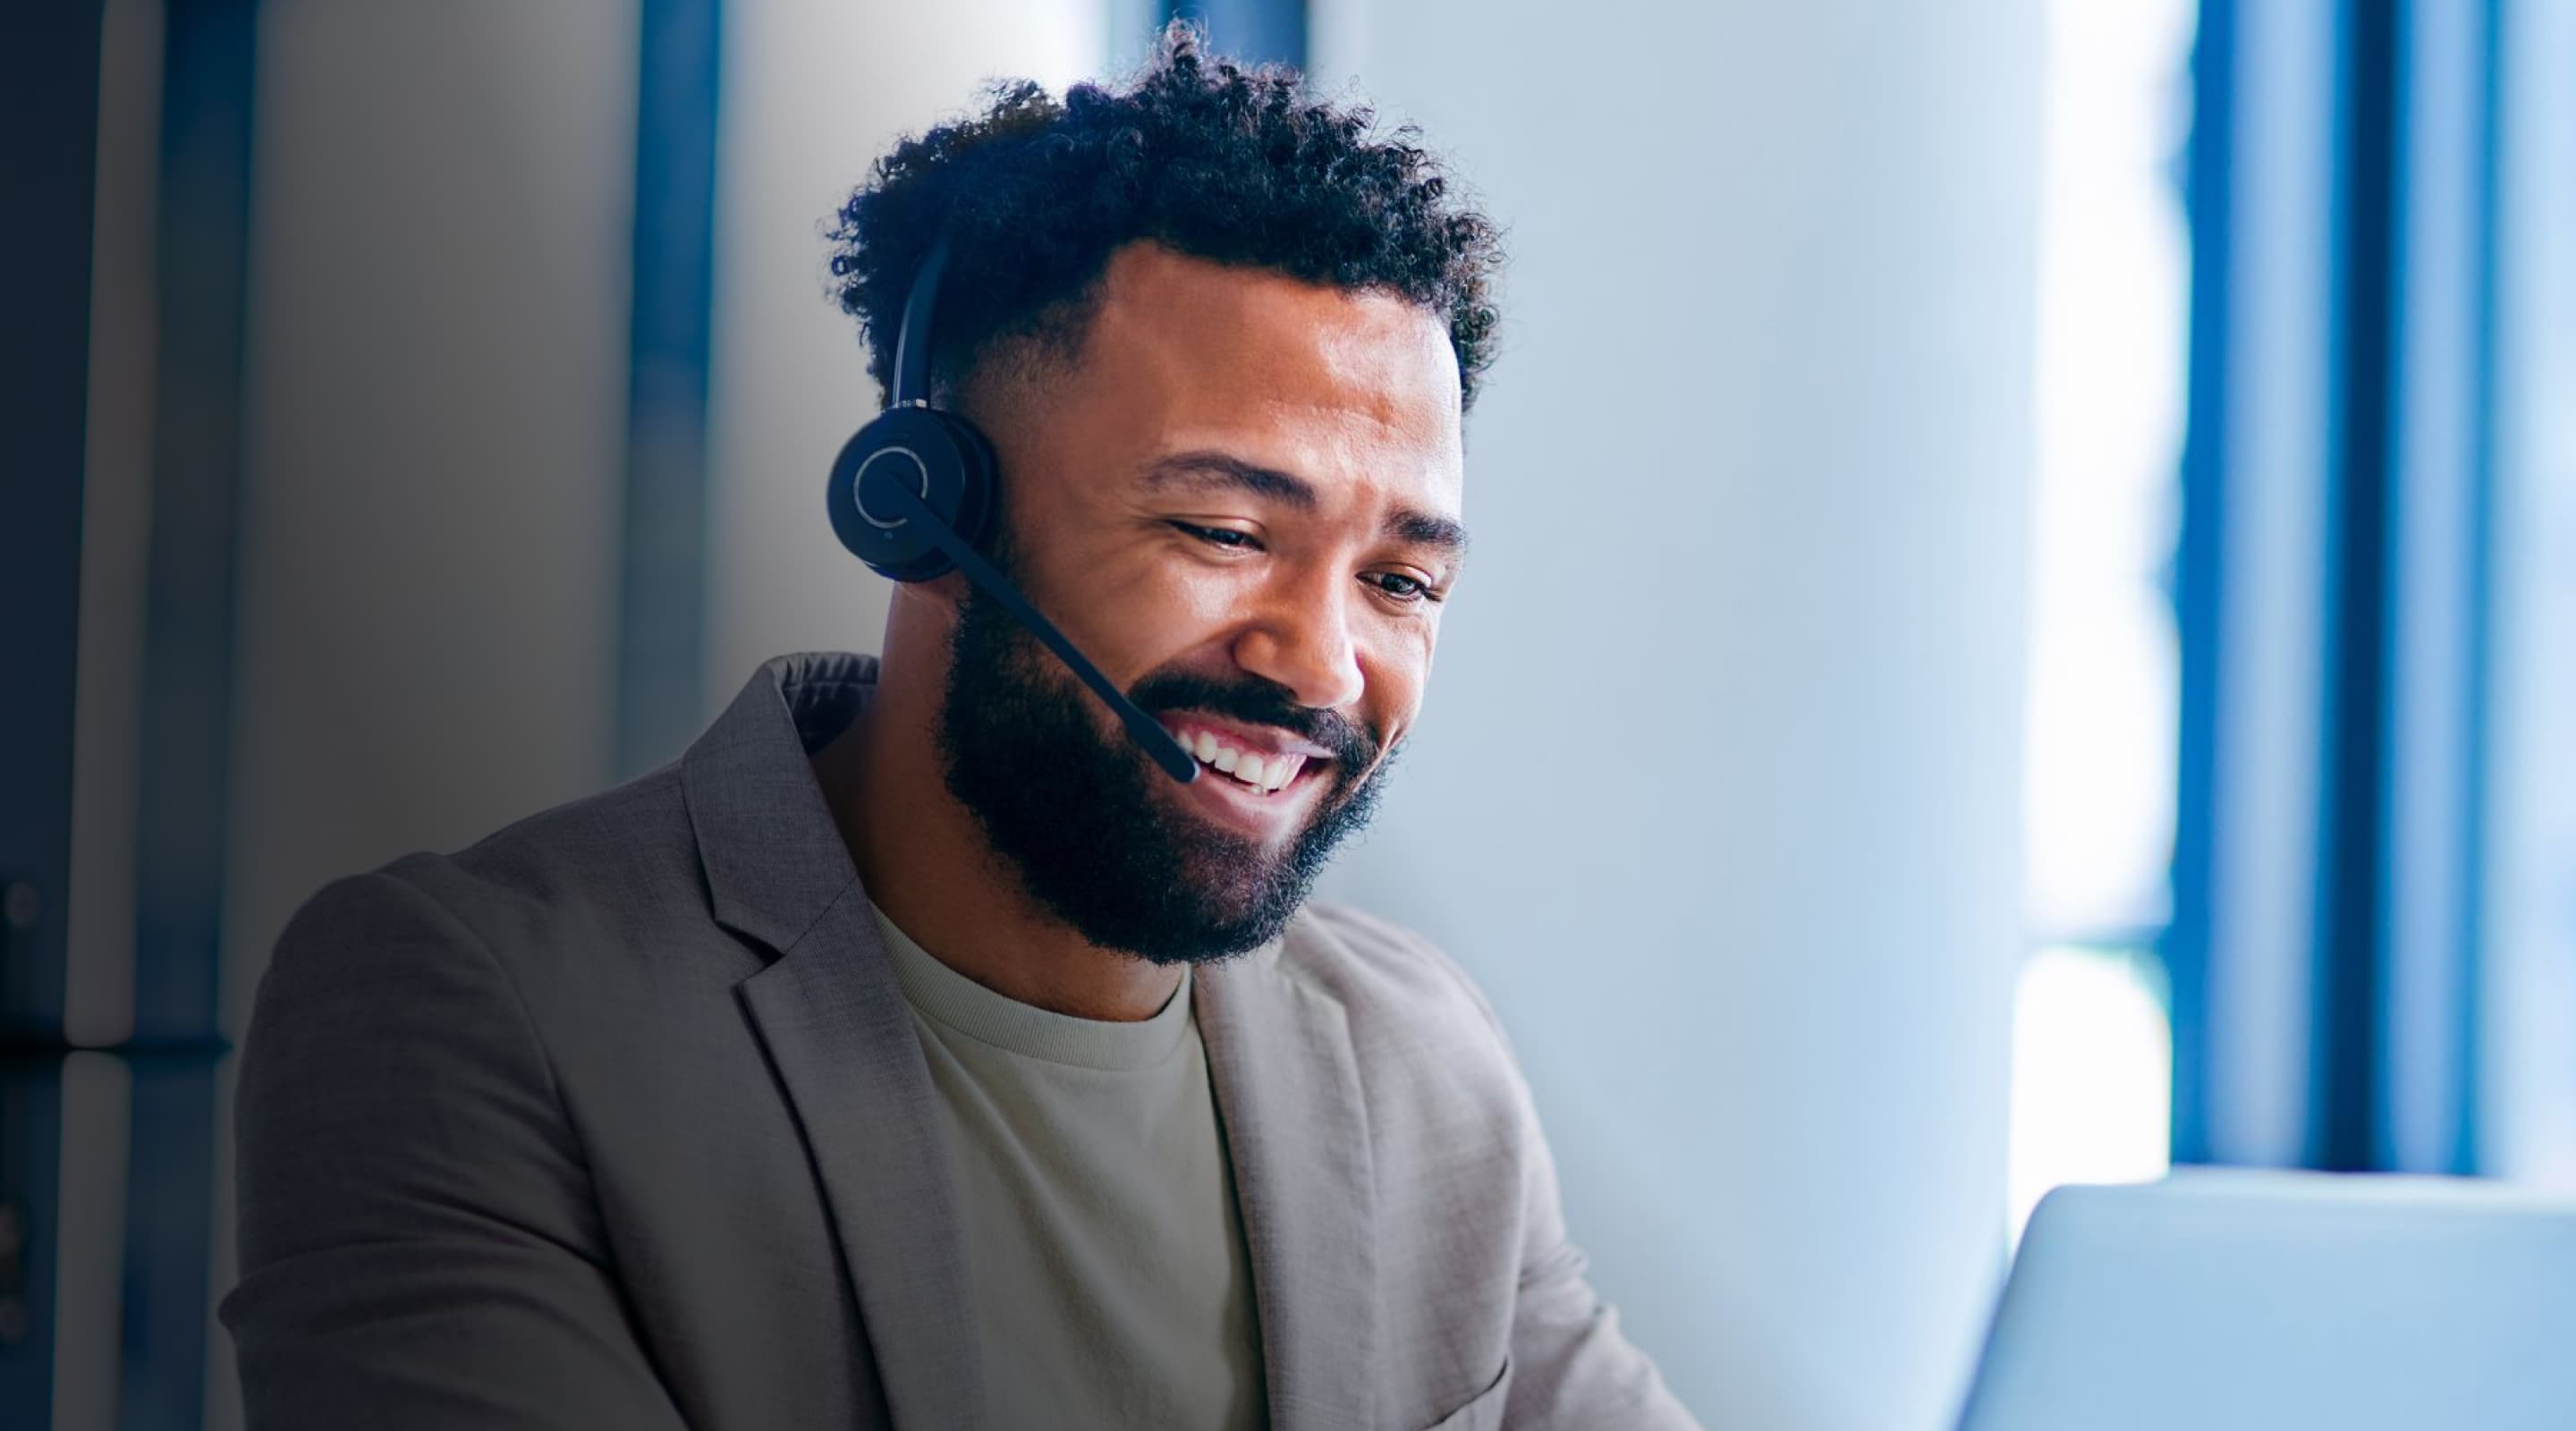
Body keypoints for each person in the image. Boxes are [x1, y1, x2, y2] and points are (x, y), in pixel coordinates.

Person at [222, 25, 1699, 1431]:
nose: (1323, 662)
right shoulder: (476, 1016)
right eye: (1224, 528)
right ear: (923, 506)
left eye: (1400, 580)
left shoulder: (1424, 1065)